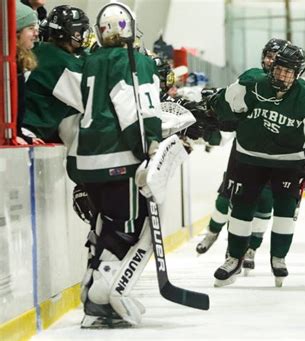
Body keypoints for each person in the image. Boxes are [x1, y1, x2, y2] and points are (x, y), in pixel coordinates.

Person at [71, 2, 166, 328]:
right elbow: (136, 111)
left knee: (103, 225)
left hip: (88, 160)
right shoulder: (134, 61)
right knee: (126, 229)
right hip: (119, 160)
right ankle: (100, 296)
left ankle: (90, 290)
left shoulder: (91, 61)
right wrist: (149, 145)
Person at [209, 43, 305, 287]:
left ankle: (278, 258)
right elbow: (225, 105)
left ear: (297, 74)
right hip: (249, 158)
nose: (282, 76)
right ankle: (234, 259)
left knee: (286, 211)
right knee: (242, 209)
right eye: (279, 70)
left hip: (289, 163)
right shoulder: (251, 85)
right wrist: (214, 111)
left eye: (289, 72)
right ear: (272, 67)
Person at [195, 38, 288, 274]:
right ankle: (213, 233)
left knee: (265, 203)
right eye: (268, 55)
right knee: (227, 197)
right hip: (245, 153)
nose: (271, 60)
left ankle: (251, 249)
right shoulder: (251, 78)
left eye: (276, 57)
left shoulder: (293, 87)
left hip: (276, 159)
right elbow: (230, 106)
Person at [22, 4, 90, 159]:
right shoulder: (62, 63)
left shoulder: (41, 49)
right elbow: (89, 100)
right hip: (30, 134)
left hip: (21, 131)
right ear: (73, 32)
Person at [15, 0, 41, 145]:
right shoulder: (7, 67)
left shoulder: (16, 64)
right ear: (16, 32)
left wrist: (20, 135)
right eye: (31, 28)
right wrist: (12, 136)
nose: (36, 34)